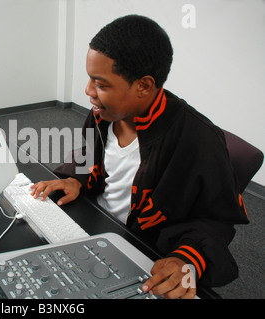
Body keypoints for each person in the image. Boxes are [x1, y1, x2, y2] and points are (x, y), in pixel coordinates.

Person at [30, 15, 249, 299]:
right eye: (89, 78)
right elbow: (89, 159)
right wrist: (76, 180)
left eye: (101, 84)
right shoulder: (102, 115)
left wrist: (186, 259)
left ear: (144, 86)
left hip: (143, 247)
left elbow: (217, 220)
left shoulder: (199, 140)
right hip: (94, 224)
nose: (87, 91)